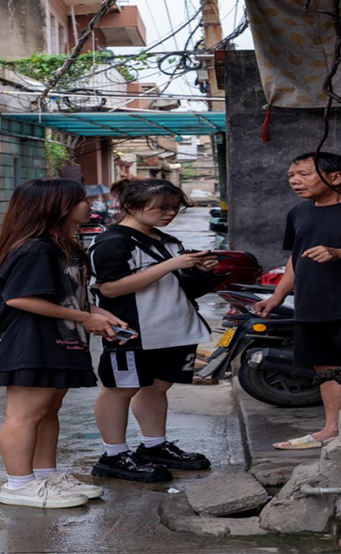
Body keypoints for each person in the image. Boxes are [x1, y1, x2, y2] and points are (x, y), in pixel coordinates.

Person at [0, 178, 132, 508]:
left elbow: (66, 296)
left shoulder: (62, 246)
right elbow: (20, 299)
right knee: (24, 415)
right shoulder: (35, 248)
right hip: (32, 343)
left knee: (48, 411)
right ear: (56, 206)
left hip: (61, 341)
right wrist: (84, 318)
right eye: (81, 199)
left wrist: (97, 314)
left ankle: (45, 476)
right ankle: (18, 485)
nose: (89, 205)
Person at [87, 179, 220, 482]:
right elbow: (109, 289)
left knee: (157, 387)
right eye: (162, 208)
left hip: (174, 328)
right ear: (131, 206)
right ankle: (114, 455)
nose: (170, 213)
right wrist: (171, 265)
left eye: (175, 208)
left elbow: (180, 288)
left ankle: (154, 445)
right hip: (132, 331)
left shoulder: (167, 241)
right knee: (120, 390)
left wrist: (202, 272)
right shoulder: (112, 242)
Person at [254, 153, 341, 450]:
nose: (294, 181)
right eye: (291, 176)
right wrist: (277, 296)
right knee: (326, 369)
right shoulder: (299, 212)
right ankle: (331, 430)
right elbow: (295, 258)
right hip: (312, 303)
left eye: (303, 174)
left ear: (336, 177)